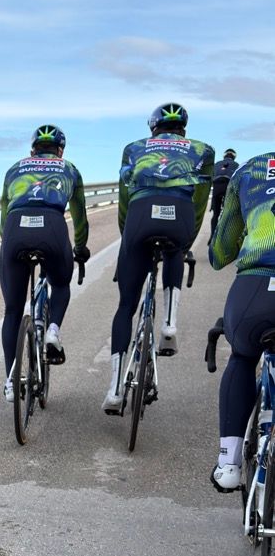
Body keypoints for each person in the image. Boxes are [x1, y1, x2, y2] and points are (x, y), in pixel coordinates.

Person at [104, 103, 214, 412]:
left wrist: (127, 240)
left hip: (139, 215)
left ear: (153, 128)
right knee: (174, 249)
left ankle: (115, 390)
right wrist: (186, 241)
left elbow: (125, 197)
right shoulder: (202, 150)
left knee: (126, 306)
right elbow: (200, 201)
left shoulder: (133, 148)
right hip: (180, 214)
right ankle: (169, 325)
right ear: (184, 129)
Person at [0, 125, 89, 400]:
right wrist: (80, 247)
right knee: (60, 284)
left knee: (13, 311)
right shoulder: (69, 169)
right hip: (52, 227)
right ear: (60, 151)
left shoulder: (14, 169)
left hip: (15, 230)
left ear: (32, 150)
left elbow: (3, 220)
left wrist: (11, 245)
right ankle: (52, 331)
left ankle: (11, 381)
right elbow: (80, 216)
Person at [208, 151, 275, 489]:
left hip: (255, 290)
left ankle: (229, 464)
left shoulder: (251, 169)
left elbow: (219, 254)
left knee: (243, 356)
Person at [210, 147, 239, 235]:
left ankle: (212, 236)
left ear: (224, 156)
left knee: (215, 214)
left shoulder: (217, 164)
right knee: (228, 214)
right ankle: (225, 236)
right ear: (234, 157)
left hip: (217, 186)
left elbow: (211, 176)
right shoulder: (236, 165)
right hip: (228, 186)